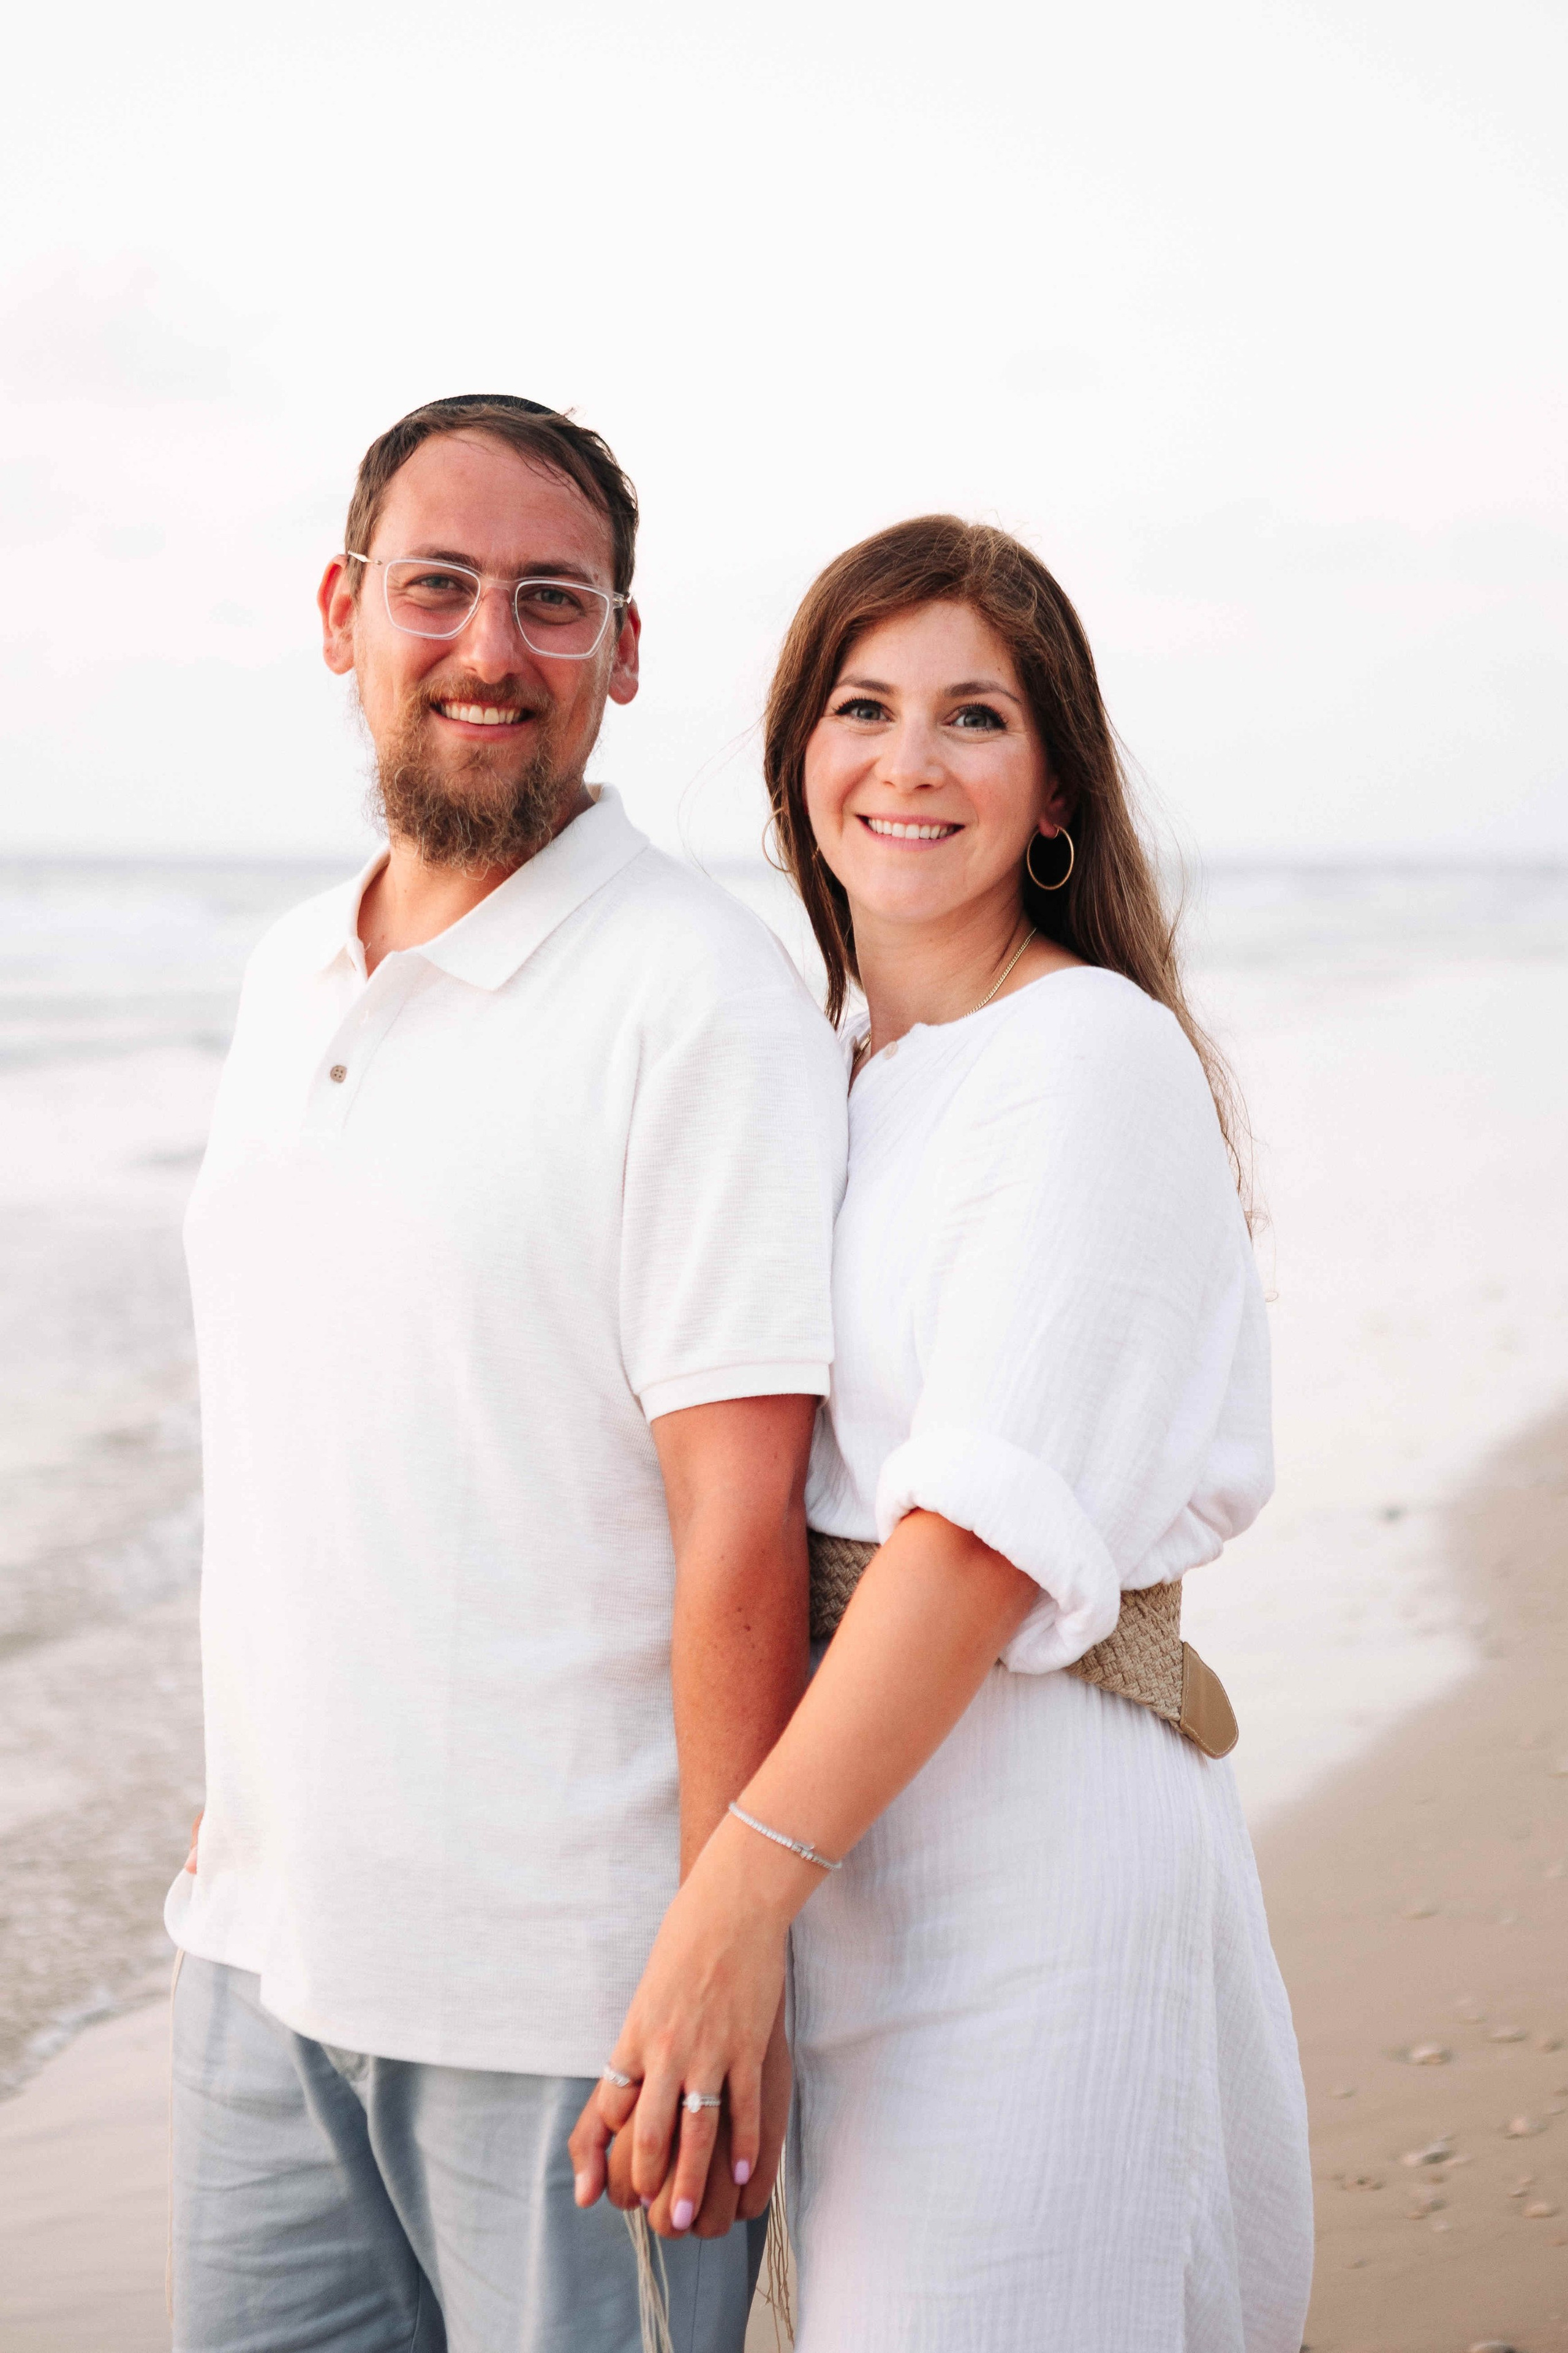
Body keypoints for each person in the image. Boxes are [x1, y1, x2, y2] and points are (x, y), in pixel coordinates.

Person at [573, 516, 1314, 2349]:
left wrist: (731, 1904)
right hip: (857, 1848)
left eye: (974, 716)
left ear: (1052, 784)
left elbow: (978, 1536)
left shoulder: (1090, 1058)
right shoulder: (851, 1077)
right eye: (862, 706)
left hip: (1029, 1858)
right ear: (798, 764)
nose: (909, 762)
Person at [165, 394, 846, 2353]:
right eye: (439, 587)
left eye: (554, 602)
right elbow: (315, 1426)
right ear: (341, 610)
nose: (491, 649)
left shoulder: (698, 998)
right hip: (262, 1955)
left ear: (627, 653)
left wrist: (729, 1954)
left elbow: (741, 1526)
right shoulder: (285, 970)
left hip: (575, 2014)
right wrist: (246, 1798)